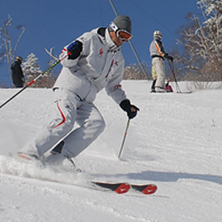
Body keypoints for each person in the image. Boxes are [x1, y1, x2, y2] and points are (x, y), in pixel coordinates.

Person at [17, 15, 139, 167]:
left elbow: (113, 86)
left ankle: (59, 156)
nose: (123, 40)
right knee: (65, 121)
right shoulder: (91, 38)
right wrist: (72, 53)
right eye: (122, 35)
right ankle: (28, 152)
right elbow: (64, 57)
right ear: (113, 29)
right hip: (69, 88)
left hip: (87, 98)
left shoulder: (118, 59)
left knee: (96, 124)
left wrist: (125, 103)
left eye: (128, 37)